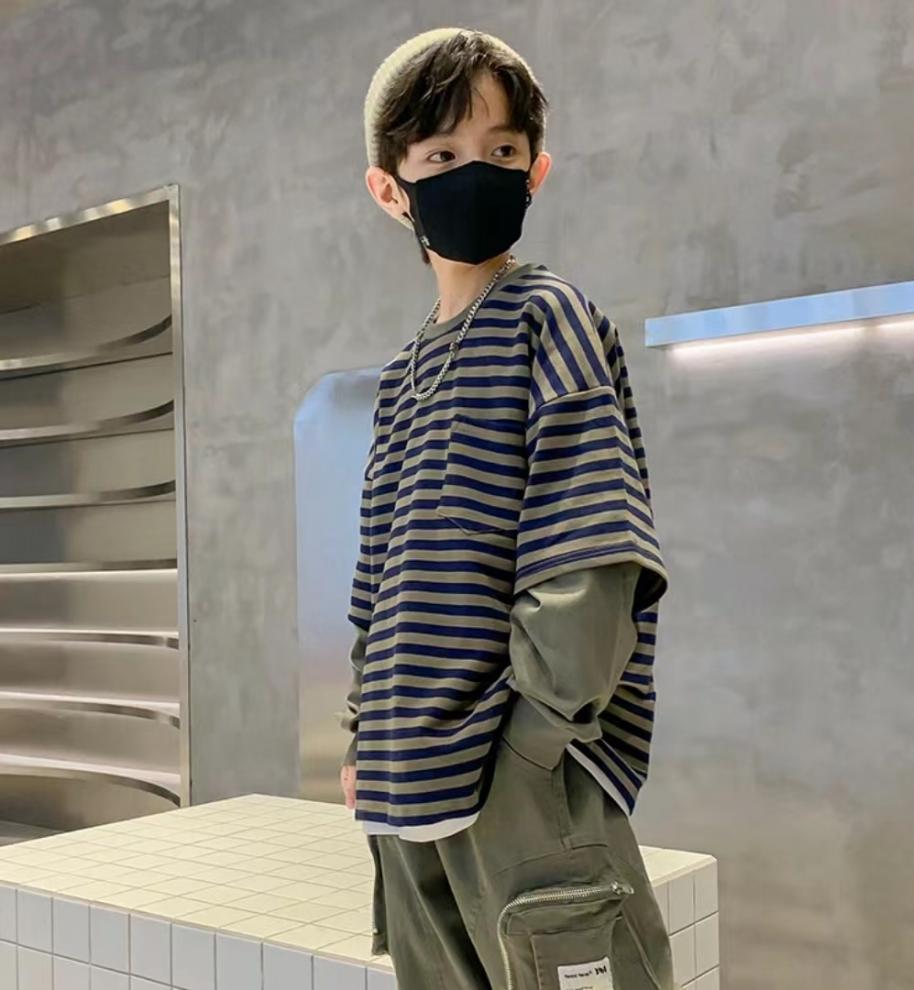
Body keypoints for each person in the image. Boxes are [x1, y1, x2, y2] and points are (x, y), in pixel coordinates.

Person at [336, 26, 678, 990]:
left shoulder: (547, 316)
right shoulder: (401, 376)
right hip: (402, 792)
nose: (476, 172)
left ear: (536, 171)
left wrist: (529, 751)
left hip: (515, 783)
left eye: (502, 150)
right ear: (390, 189)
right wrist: (364, 735)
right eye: (442, 156)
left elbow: (592, 554)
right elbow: (378, 580)